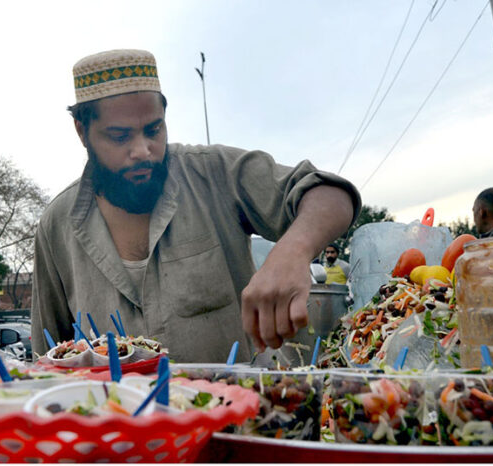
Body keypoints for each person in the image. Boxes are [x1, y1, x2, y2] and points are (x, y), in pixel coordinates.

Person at [31, 49, 361, 363]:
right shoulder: (57, 226)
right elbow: (47, 360)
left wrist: (292, 252)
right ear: (82, 131)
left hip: (234, 418)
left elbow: (330, 193)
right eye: (119, 136)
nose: (143, 150)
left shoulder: (214, 175)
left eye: (153, 130)